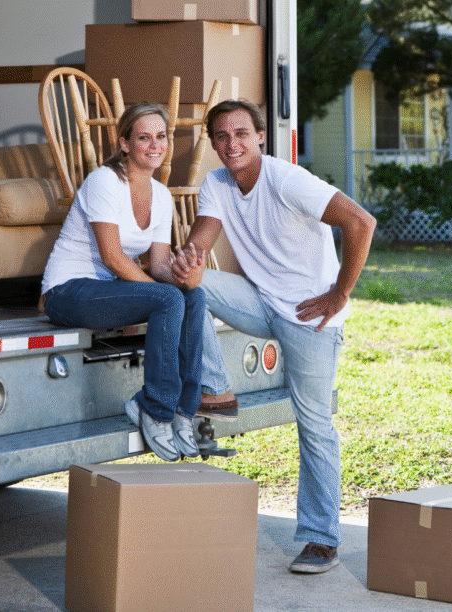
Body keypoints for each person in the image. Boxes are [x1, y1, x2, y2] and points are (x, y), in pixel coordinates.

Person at [171, 99, 376, 574]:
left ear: (260, 136)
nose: (231, 144)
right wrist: (188, 259)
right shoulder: (218, 182)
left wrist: (338, 294)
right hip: (262, 302)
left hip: (309, 316)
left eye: (241, 133)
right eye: (221, 136)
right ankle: (216, 390)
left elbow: (360, 222)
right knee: (185, 287)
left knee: (314, 423)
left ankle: (321, 540)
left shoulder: (286, 179)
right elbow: (204, 235)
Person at [41, 102, 205, 463]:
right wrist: (163, 293)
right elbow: (114, 257)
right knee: (169, 300)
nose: (155, 145)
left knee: (193, 295)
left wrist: (182, 275)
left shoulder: (161, 196)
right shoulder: (105, 180)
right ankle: (154, 409)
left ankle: (183, 410)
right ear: (125, 143)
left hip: (107, 291)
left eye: (161, 137)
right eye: (144, 137)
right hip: (67, 291)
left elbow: (159, 265)